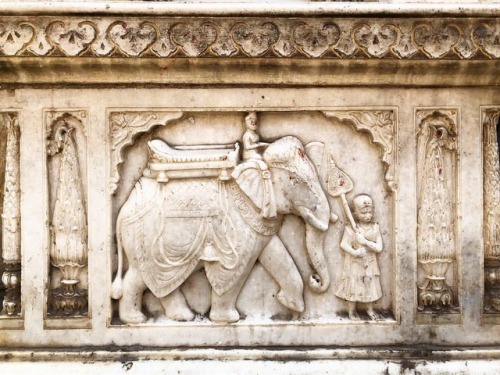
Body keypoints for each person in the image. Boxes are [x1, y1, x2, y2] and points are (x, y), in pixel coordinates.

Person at [335, 194, 383, 320]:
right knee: (354, 286)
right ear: (355, 214)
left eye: (369, 212)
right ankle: (351, 311)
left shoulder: (375, 228)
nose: (368, 216)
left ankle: (369, 309)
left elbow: (379, 247)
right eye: (363, 213)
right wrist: (354, 252)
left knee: (369, 286)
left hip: (370, 262)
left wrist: (365, 242)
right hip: (355, 264)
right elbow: (343, 244)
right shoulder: (350, 229)